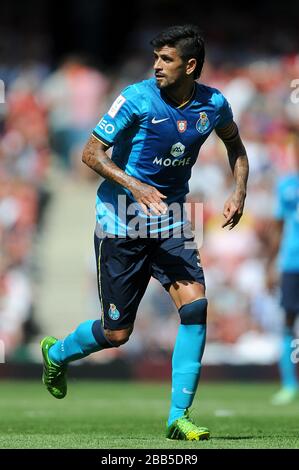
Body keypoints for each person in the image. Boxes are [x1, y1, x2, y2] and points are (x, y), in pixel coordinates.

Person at [41, 24, 249, 440]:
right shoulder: (135, 99)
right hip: (122, 218)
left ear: (190, 66)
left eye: (166, 59)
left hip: (170, 217)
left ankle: (178, 416)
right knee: (117, 333)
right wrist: (136, 185)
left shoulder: (214, 104)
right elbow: (89, 153)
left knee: (195, 307)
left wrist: (238, 191)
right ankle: (58, 352)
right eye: (155, 57)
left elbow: (236, 147)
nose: (156, 65)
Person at [267, 134, 299, 405]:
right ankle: (289, 384)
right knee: (288, 322)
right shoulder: (287, 185)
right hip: (292, 262)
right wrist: (270, 264)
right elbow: (278, 227)